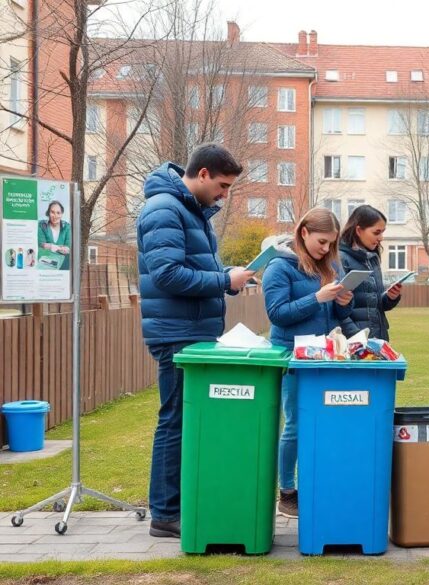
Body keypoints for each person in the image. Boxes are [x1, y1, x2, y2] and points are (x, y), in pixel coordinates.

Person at [136, 144, 252, 538]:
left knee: (185, 421)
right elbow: (168, 274)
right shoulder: (165, 209)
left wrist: (229, 277)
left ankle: (176, 506)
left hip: (191, 331)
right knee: (174, 422)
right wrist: (223, 281)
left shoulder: (191, 211)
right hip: (176, 334)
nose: (225, 194)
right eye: (222, 185)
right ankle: (165, 514)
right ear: (202, 174)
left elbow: (194, 268)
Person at [262, 208, 354, 519]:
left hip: (325, 356)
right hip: (292, 357)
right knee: (296, 426)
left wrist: (343, 303)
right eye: (322, 241)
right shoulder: (279, 267)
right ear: (304, 233)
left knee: (325, 422)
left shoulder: (331, 266)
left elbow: (337, 317)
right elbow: (277, 314)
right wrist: (317, 297)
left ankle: (317, 483)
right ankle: (287, 492)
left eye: (331, 244)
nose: (326, 249)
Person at [338, 205, 401, 340]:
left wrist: (390, 297)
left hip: (378, 338)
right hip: (354, 342)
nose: (381, 238)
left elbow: (376, 306)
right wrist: (358, 337)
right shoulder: (340, 258)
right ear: (359, 230)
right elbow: (336, 308)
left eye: (382, 232)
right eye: (376, 232)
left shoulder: (372, 259)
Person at [38, 200, 71, 270]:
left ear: (62, 214)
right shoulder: (42, 225)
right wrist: (59, 248)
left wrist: (50, 246)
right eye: (52, 212)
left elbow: (68, 247)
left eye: (58, 213)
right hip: (45, 261)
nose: (55, 216)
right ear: (48, 213)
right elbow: (41, 244)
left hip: (62, 263)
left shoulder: (67, 227)